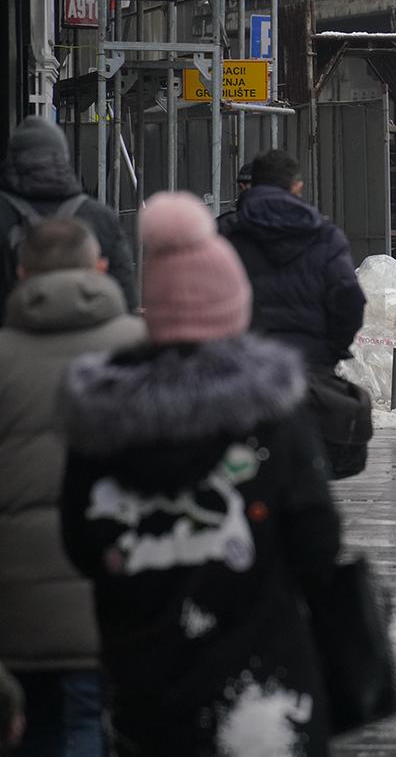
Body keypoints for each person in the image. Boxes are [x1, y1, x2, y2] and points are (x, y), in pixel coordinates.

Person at [58, 192, 340, 756]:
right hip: (263, 694)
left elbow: (80, 541)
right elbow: (317, 541)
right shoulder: (271, 417)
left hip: (144, 691)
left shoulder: (103, 423)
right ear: (233, 308)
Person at [0, 219, 145, 757]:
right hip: (119, 598)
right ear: (101, 267)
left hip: (15, 611)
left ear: (21, 273)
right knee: (95, 725)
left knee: (33, 730)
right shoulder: (142, 349)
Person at [219, 149, 365, 372]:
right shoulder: (326, 236)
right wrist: (330, 351)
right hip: (308, 366)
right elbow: (349, 301)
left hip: (242, 368)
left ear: (250, 184)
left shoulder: (224, 233)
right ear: (297, 186)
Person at [0, 116, 136, 323]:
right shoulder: (100, 217)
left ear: (11, 158)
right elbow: (126, 298)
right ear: (64, 157)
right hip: (90, 345)